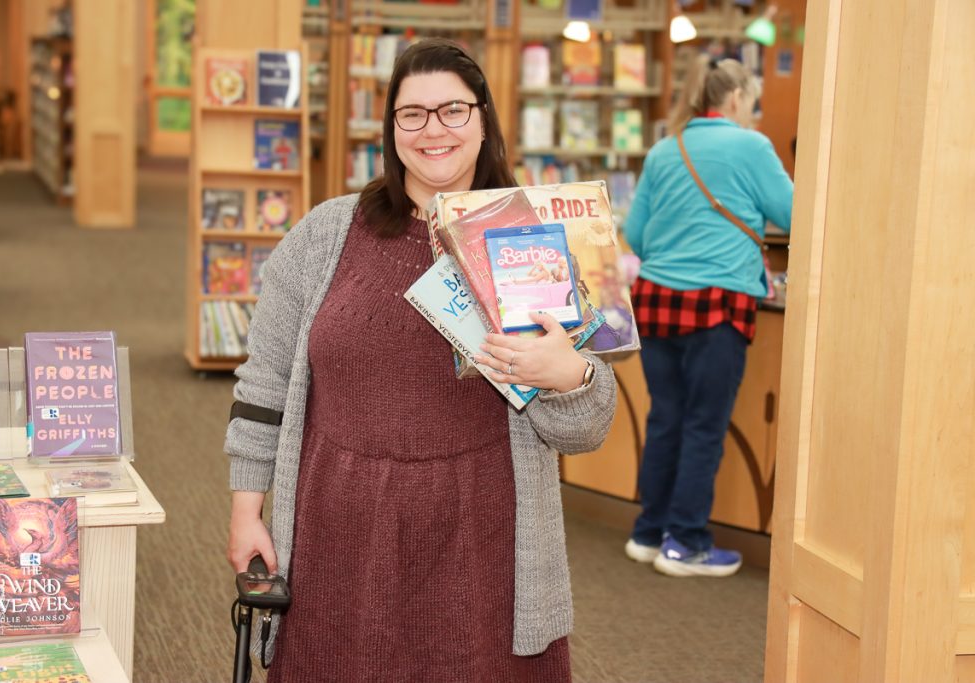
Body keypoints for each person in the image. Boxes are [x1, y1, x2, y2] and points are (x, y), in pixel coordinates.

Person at [225, 38, 616, 681]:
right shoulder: (326, 234)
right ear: (391, 128)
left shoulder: (532, 237)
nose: (434, 130)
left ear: (484, 120)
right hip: (336, 532)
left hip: (484, 540)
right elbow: (264, 383)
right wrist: (247, 512)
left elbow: (585, 429)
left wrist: (569, 376)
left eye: (453, 110)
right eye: (413, 114)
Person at [622, 55, 792, 578]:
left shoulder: (663, 151)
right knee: (703, 426)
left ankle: (648, 533)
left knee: (665, 419)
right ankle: (687, 543)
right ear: (737, 98)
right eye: (753, 101)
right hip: (718, 304)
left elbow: (637, 235)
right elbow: (794, 215)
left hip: (656, 302)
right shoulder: (752, 147)